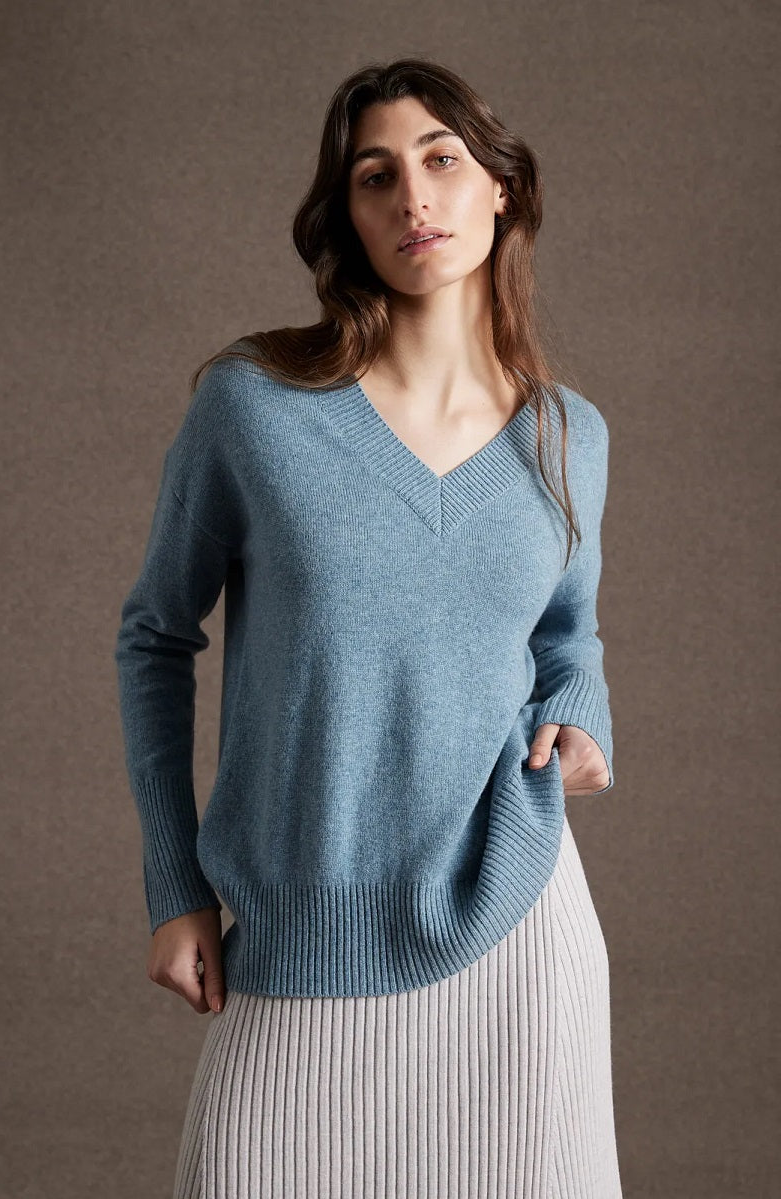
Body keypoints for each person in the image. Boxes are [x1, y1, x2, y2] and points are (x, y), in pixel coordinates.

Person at [114, 56, 623, 1199]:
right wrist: (174, 881)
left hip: (519, 919)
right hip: (303, 920)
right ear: (346, 214)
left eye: (442, 161)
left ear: (500, 188)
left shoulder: (566, 436)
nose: (413, 198)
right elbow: (154, 634)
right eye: (375, 175)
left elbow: (565, 631)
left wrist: (577, 710)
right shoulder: (254, 405)